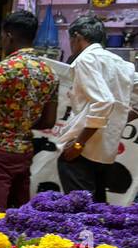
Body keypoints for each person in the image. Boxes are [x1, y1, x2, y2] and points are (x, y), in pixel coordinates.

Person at [0, 10, 59, 211]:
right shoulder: (49, 72)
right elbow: (49, 121)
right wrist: (24, 124)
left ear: (9, 36)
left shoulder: (5, 68)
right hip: (25, 151)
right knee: (19, 214)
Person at [57, 14, 138, 202]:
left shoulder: (86, 59)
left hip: (82, 149)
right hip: (105, 151)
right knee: (97, 211)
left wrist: (79, 144)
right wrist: (124, 117)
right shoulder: (122, 64)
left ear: (76, 37)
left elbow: (104, 102)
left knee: (81, 213)